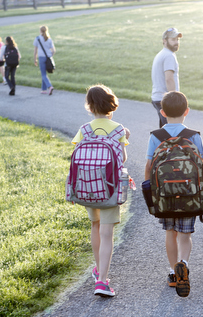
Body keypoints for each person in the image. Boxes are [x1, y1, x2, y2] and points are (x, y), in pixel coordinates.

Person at [71, 85, 130, 297]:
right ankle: (102, 281)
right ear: (110, 104)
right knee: (107, 233)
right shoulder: (118, 129)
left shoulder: (84, 129)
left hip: (88, 187)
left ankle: (98, 271)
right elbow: (121, 158)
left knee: (95, 226)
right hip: (110, 189)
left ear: (90, 106)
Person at [144, 91, 203, 298]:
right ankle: (184, 264)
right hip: (189, 195)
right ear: (187, 111)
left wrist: (149, 190)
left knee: (170, 232)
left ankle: (173, 272)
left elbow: (150, 165)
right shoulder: (194, 135)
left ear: (162, 112)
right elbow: (201, 166)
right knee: (185, 235)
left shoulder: (156, 136)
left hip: (165, 195)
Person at [151, 28, 182, 128]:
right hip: (165, 100)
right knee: (171, 132)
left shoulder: (162, 54)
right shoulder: (169, 56)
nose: (176, 42)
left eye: (177, 39)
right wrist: (174, 100)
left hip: (159, 98)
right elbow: (169, 79)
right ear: (165, 41)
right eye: (173, 40)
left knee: (164, 131)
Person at [33, 25, 55, 95]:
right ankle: (43, 89)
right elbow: (54, 50)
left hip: (41, 57)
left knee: (43, 74)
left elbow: (35, 50)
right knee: (44, 74)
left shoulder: (37, 38)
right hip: (48, 57)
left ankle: (50, 86)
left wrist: (35, 59)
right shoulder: (49, 39)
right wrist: (50, 55)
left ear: (40, 31)